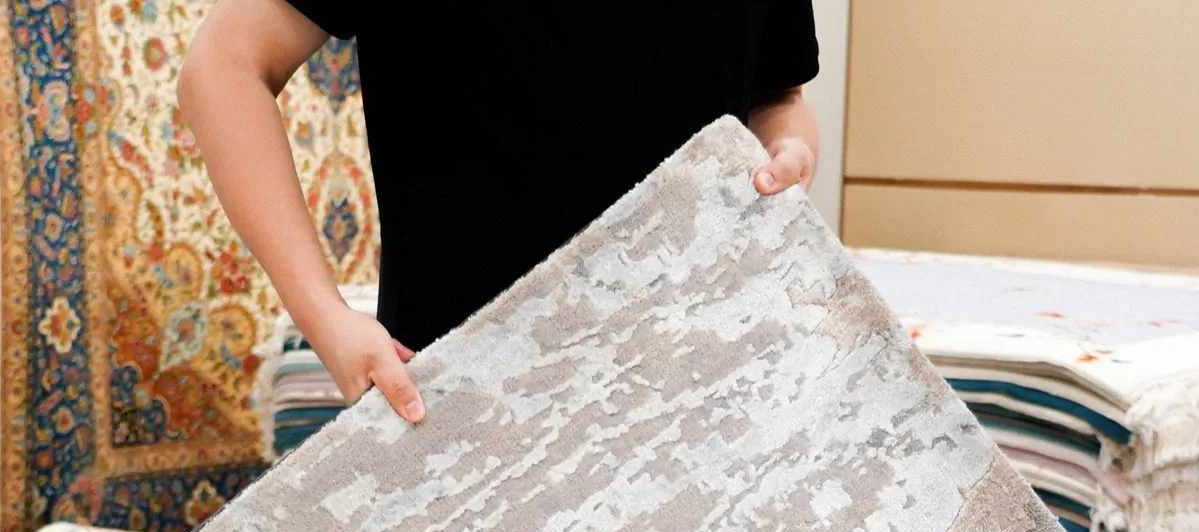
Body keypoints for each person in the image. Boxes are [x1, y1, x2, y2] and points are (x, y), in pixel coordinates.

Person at [178, 2, 821, 427]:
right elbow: (224, 63)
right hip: (467, 415)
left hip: (706, 395)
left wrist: (789, 152)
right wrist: (325, 318)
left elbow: (776, 95)